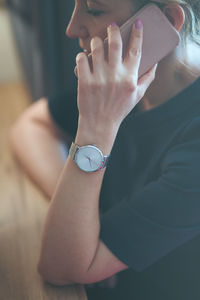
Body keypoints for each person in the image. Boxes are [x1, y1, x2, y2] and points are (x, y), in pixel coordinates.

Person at [10, 0, 200, 299]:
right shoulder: (121, 81)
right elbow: (31, 125)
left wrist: (97, 129)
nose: (72, 29)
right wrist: (83, 211)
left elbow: (61, 266)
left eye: (94, 9)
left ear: (166, 19)